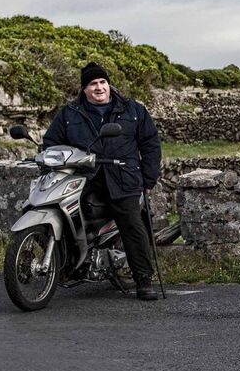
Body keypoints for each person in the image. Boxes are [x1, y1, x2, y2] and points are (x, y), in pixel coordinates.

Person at [43, 62, 162, 301]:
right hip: (84, 177)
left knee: (131, 224)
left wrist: (148, 179)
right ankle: (65, 266)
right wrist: (48, 165)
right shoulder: (70, 113)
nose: (99, 88)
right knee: (58, 212)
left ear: (108, 84)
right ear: (84, 89)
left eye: (102, 82)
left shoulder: (132, 109)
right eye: (93, 84)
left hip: (123, 177)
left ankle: (143, 279)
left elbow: (150, 144)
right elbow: (51, 143)